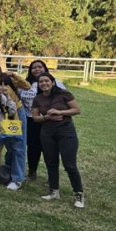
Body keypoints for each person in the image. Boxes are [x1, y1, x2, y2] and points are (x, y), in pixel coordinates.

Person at [32, 73, 84, 208]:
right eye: (41, 82)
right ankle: (54, 191)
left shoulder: (64, 94)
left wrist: (60, 112)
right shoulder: (37, 98)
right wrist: (47, 117)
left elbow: (77, 110)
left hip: (65, 131)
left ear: (53, 82)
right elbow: (35, 118)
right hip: (47, 132)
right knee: (51, 162)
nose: (44, 83)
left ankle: (78, 194)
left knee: (70, 164)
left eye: (46, 81)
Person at [0, 61, 31, 190]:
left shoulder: (7, 79)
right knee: (6, 145)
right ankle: (8, 170)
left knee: (17, 145)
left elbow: (27, 86)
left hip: (14, 115)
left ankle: (17, 178)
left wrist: (15, 75)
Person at [21, 59, 66, 181]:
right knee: (32, 147)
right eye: (34, 68)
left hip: (49, 120)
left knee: (49, 148)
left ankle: (52, 177)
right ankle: (32, 172)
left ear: (45, 69)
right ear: (30, 71)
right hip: (30, 120)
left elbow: (64, 98)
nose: (37, 69)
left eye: (40, 67)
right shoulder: (25, 83)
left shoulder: (55, 83)